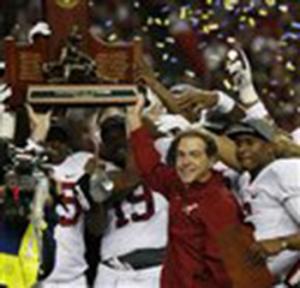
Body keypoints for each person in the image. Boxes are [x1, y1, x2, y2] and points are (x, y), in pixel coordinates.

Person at [127, 95, 251, 288]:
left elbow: (226, 268)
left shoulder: (220, 203)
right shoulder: (179, 185)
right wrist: (134, 119)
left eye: (194, 155)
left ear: (211, 161)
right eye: (181, 155)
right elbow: (151, 168)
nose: (186, 162)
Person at [92, 107, 169, 288]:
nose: (116, 141)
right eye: (109, 137)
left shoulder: (159, 157)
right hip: (113, 271)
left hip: (155, 268)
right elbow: (126, 181)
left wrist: (137, 126)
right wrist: (133, 148)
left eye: (120, 134)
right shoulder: (101, 170)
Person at [226, 118, 300, 287]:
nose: (242, 149)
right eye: (238, 144)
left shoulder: (284, 170)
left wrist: (283, 243)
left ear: (270, 146)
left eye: (249, 142)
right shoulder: (245, 179)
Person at [40, 121, 93, 288]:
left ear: (69, 145)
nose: (54, 144)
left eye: (60, 140)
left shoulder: (81, 164)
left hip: (73, 275)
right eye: (49, 139)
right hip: (33, 273)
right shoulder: (31, 167)